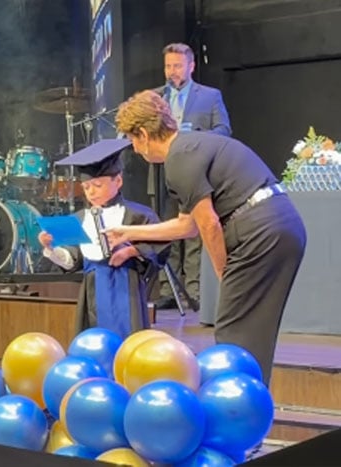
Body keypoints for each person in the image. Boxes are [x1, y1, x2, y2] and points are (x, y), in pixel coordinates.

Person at [111, 90, 306, 385]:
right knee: (254, 328)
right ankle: (251, 398)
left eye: (132, 142)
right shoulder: (195, 144)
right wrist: (129, 232)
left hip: (258, 230)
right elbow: (186, 226)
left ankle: (237, 408)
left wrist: (223, 274)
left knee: (233, 330)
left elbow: (209, 225)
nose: (136, 151)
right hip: (284, 224)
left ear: (143, 134)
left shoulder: (178, 159)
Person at [37, 139, 169, 339]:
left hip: (126, 286)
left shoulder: (138, 215)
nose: (91, 192)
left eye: (97, 185)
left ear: (118, 181)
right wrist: (50, 247)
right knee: (95, 339)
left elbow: (161, 245)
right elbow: (73, 259)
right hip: (93, 290)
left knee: (129, 341)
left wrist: (131, 251)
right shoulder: (80, 219)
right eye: (86, 187)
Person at [149, 42, 232, 312]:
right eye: (168, 66)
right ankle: (168, 290)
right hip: (164, 172)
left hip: (196, 173)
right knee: (166, 229)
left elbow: (224, 130)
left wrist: (193, 136)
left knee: (195, 231)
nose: (172, 71)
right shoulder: (155, 97)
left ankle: (195, 290)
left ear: (191, 66)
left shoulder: (210, 96)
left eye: (177, 65)